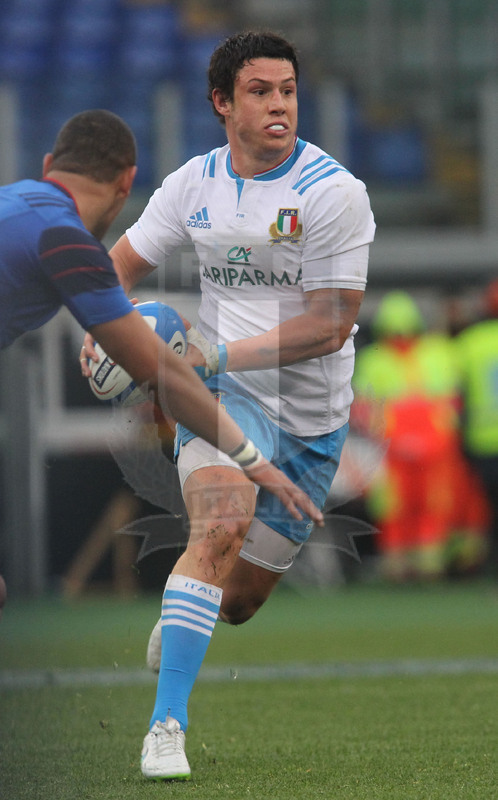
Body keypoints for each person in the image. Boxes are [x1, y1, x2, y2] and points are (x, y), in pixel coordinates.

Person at [80, 32, 375, 781]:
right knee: (218, 527)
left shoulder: (333, 192)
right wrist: (99, 327)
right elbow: (116, 267)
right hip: (224, 396)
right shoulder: (194, 183)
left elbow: (330, 325)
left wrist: (215, 355)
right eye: (260, 91)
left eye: (288, 91)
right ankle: (166, 728)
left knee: (237, 599)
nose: (279, 105)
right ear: (222, 103)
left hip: (312, 418)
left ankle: (188, 608)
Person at [0, 109, 324, 612]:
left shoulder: (15, 201)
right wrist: (254, 461)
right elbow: (166, 372)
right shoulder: (65, 240)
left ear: (47, 166)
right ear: (127, 183)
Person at [352, 291, 488, 581]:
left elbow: (452, 398)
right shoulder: (423, 353)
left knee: (431, 504)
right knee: (396, 507)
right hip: (400, 450)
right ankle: (403, 564)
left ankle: (426, 563)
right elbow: (362, 408)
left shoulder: (431, 352)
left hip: (429, 448)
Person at [454, 278, 498, 577]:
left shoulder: (469, 342)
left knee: (485, 508)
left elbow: (457, 393)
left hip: (482, 440)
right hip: (483, 440)